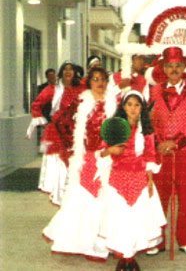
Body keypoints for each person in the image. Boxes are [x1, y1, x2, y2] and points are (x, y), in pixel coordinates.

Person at [42, 67, 118, 261]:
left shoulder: (115, 102)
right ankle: (82, 242)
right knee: (85, 198)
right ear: (89, 82)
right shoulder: (81, 101)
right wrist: (73, 149)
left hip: (110, 157)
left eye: (102, 79)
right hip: (87, 158)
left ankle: (102, 242)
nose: (99, 83)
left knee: (105, 199)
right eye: (95, 79)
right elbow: (60, 122)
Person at [99, 90, 166, 271]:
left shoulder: (147, 131)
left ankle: (130, 256)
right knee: (120, 218)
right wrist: (111, 151)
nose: (133, 109)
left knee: (137, 219)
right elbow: (102, 151)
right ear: (123, 107)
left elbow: (150, 156)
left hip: (139, 179)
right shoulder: (113, 127)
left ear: (142, 109)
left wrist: (150, 179)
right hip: (118, 179)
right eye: (129, 104)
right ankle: (124, 256)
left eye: (137, 105)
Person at [149, 46, 186, 256]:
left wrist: (177, 143)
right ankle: (156, 240)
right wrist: (160, 142)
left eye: (178, 66)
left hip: (185, 150)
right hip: (161, 151)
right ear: (164, 68)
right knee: (159, 196)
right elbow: (150, 120)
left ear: (184, 67)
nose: (174, 70)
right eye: (170, 66)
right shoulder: (155, 90)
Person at [27, 62, 85, 205]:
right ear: (61, 73)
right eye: (65, 69)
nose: (68, 71)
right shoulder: (53, 89)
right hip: (58, 133)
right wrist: (38, 117)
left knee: (76, 165)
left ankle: (74, 197)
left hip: (76, 131)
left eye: (71, 69)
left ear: (75, 73)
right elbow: (36, 104)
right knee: (61, 165)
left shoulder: (81, 88)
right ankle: (60, 197)